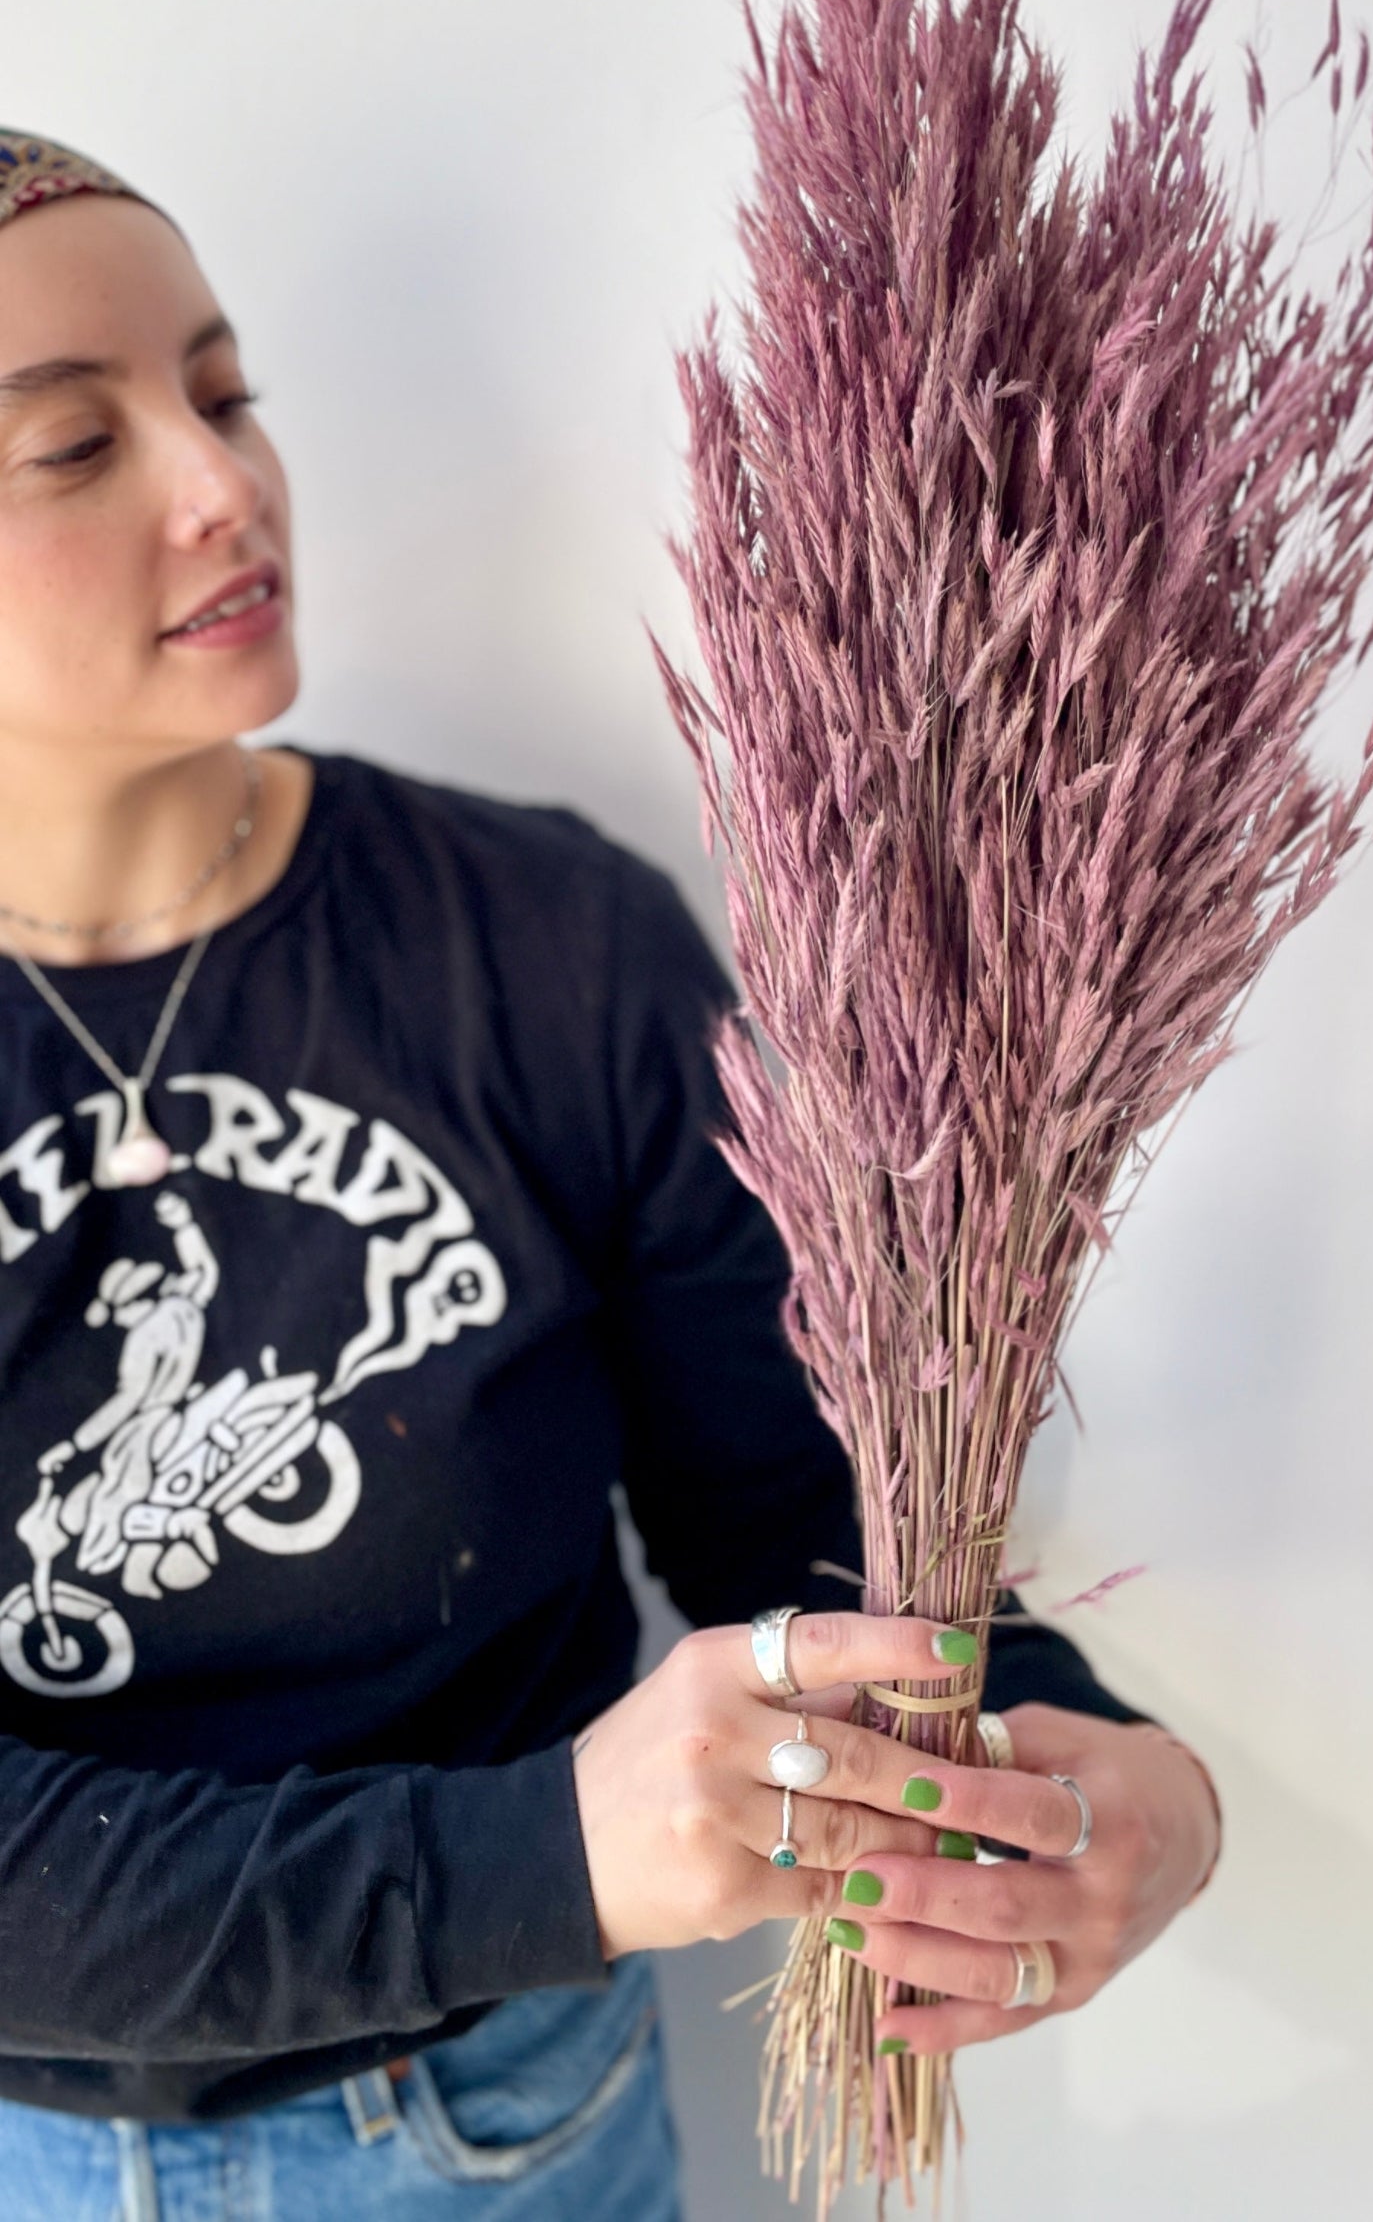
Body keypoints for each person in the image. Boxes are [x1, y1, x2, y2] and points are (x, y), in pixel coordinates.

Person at [0, 128, 1222, 2221]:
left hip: (504, 2141)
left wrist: (1104, 1774)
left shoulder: (544, 947)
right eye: (69, 448)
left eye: (222, 392)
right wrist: (550, 1851)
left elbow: (806, 1522)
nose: (223, 486)